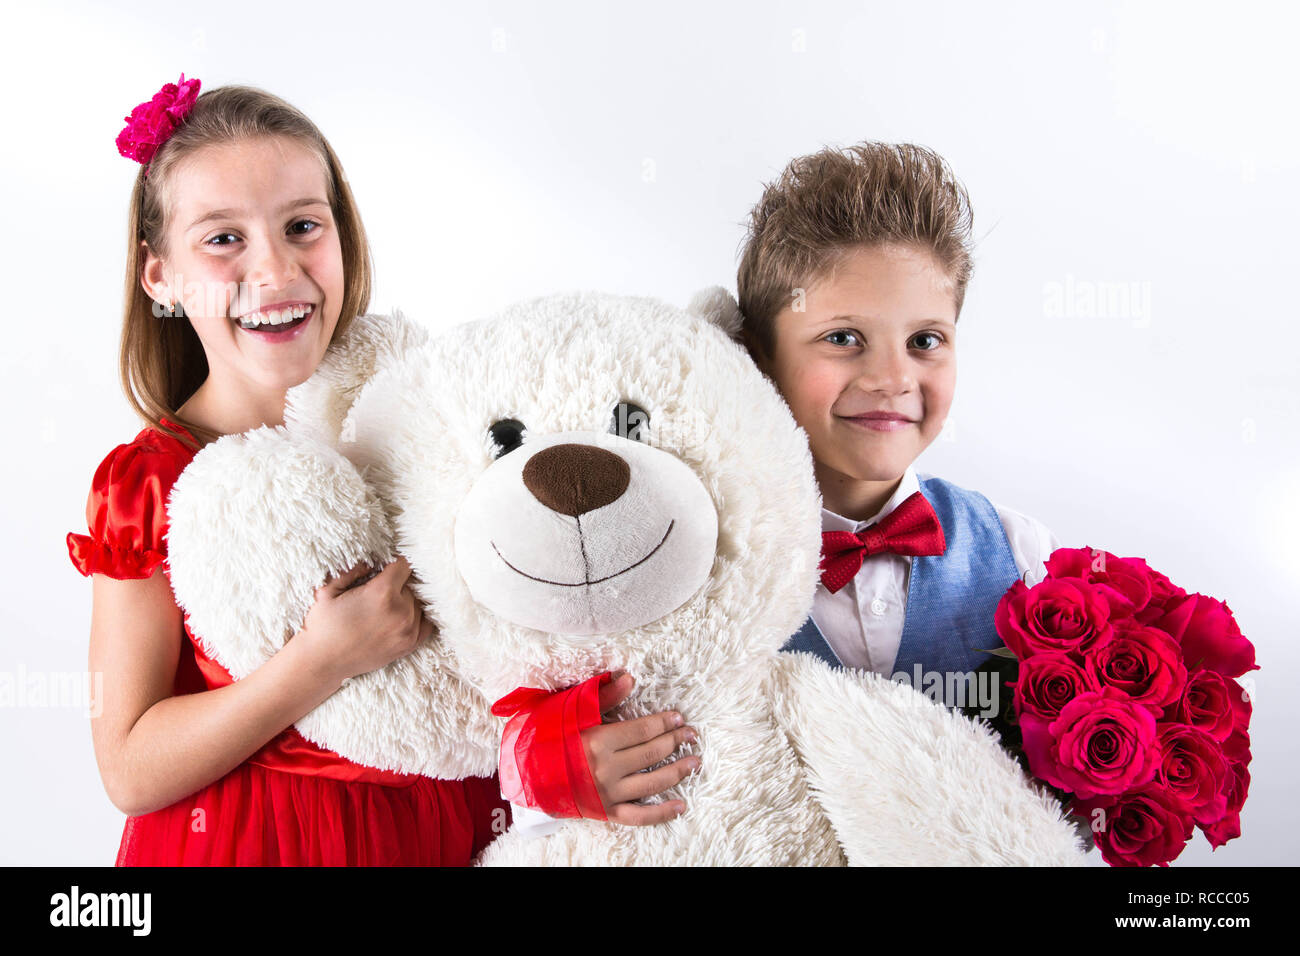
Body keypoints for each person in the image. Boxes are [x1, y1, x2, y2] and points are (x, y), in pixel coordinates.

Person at [67, 74, 692, 865]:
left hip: (442, 838)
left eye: (302, 226)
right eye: (223, 239)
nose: (276, 271)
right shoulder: (148, 483)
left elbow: (507, 658)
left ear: (344, 236)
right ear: (160, 275)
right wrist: (319, 661)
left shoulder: (428, 441)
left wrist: (556, 756)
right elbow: (128, 767)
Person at [736, 141, 1061, 718]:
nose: (892, 378)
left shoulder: (1020, 552)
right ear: (760, 358)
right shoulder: (693, 564)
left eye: (924, 342)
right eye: (842, 338)